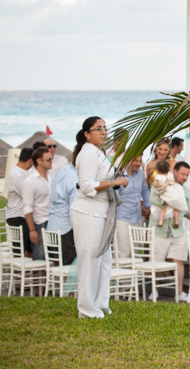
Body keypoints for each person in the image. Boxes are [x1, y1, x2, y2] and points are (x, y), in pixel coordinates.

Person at [70, 116, 128, 319]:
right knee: (90, 259)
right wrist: (114, 182)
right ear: (87, 134)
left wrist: (116, 181)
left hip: (103, 210)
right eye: (98, 129)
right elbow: (86, 186)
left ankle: (100, 303)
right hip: (88, 211)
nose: (104, 132)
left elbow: (102, 180)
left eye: (105, 128)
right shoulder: (87, 154)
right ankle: (86, 308)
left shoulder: (99, 153)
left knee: (104, 259)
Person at [149, 161, 190, 302]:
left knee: (179, 262)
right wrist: (171, 201)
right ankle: (154, 291)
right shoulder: (160, 183)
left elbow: (187, 211)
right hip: (160, 230)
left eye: (187, 175)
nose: (185, 177)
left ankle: (180, 292)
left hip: (178, 231)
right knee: (156, 262)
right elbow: (153, 199)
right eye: (183, 174)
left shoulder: (185, 191)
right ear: (174, 171)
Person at [114, 155, 150, 262]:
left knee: (135, 252)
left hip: (137, 218)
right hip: (122, 218)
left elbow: (145, 190)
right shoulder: (119, 174)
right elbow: (114, 197)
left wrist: (148, 205)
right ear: (128, 160)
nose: (138, 164)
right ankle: (124, 278)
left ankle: (133, 278)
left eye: (140, 161)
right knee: (124, 253)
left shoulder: (139, 173)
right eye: (136, 161)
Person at [23, 147, 53, 261]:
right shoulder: (29, 181)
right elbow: (27, 207)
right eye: (49, 159)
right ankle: (39, 279)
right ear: (39, 161)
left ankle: (51, 278)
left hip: (54, 220)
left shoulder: (53, 175)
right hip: (40, 222)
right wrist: (32, 230)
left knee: (55, 256)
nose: (51, 161)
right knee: (40, 257)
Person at [48, 159, 79, 267]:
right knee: (68, 265)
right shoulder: (74, 177)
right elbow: (73, 207)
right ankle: (65, 284)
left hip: (51, 225)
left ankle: (56, 284)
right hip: (65, 227)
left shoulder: (63, 170)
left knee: (57, 264)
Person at [6, 147, 33, 256]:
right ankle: (23, 271)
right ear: (30, 160)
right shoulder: (17, 175)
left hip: (21, 216)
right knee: (22, 252)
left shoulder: (22, 172)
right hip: (17, 216)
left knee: (28, 249)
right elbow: (28, 194)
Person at [148, 159, 188, 229]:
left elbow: (155, 184)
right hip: (169, 192)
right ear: (169, 169)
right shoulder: (170, 176)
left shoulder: (157, 177)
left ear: (157, 170)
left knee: (163, 209)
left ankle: (160, 221)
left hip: (164, 193)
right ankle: (176, 221)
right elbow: (172, 183)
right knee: (176, 208)